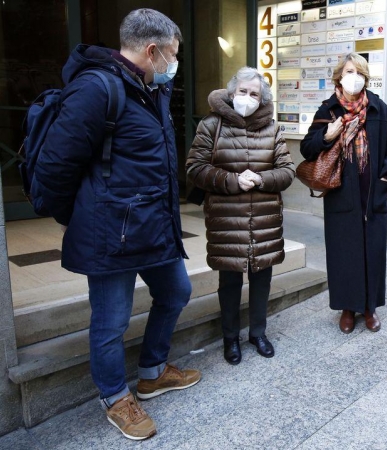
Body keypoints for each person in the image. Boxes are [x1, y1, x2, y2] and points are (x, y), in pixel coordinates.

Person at [35, 9, 200, 440]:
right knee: (111, 320)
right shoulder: (97, 88)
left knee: (177, 291)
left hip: (151, 223)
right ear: (153, 50)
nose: (174, 64)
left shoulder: (150, 89)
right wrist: (84, 217)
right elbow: (56, 165)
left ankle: (152, 371)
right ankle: (114, 397)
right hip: (111, 232)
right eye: (174, 55)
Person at [186, 67, 295, 365]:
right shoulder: (211, 125)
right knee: (230, 281)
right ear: (232, 93)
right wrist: (234, 180)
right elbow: (195, 169)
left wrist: (260, 179)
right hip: (227, 220)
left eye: (254, 94)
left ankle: (258, 333)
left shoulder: (273, 129)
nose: (247, 98)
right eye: (243, 92)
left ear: (262, 99)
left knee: (262, 279)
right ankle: (230, 338)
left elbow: (288, 171)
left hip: (265, 220)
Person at [300, 53, 387, 334]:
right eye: (347, 72)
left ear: (366, 77)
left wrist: (386, 176)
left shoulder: (380, 109)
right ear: (338, 78)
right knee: (345, 253)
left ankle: (369, 307)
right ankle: (346, 308)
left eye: (358, 72)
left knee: (372, 252)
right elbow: (307, 149)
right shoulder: (328, 110)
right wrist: (328, 135)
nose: (352, 77)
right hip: (341, 195)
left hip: (373, 194)